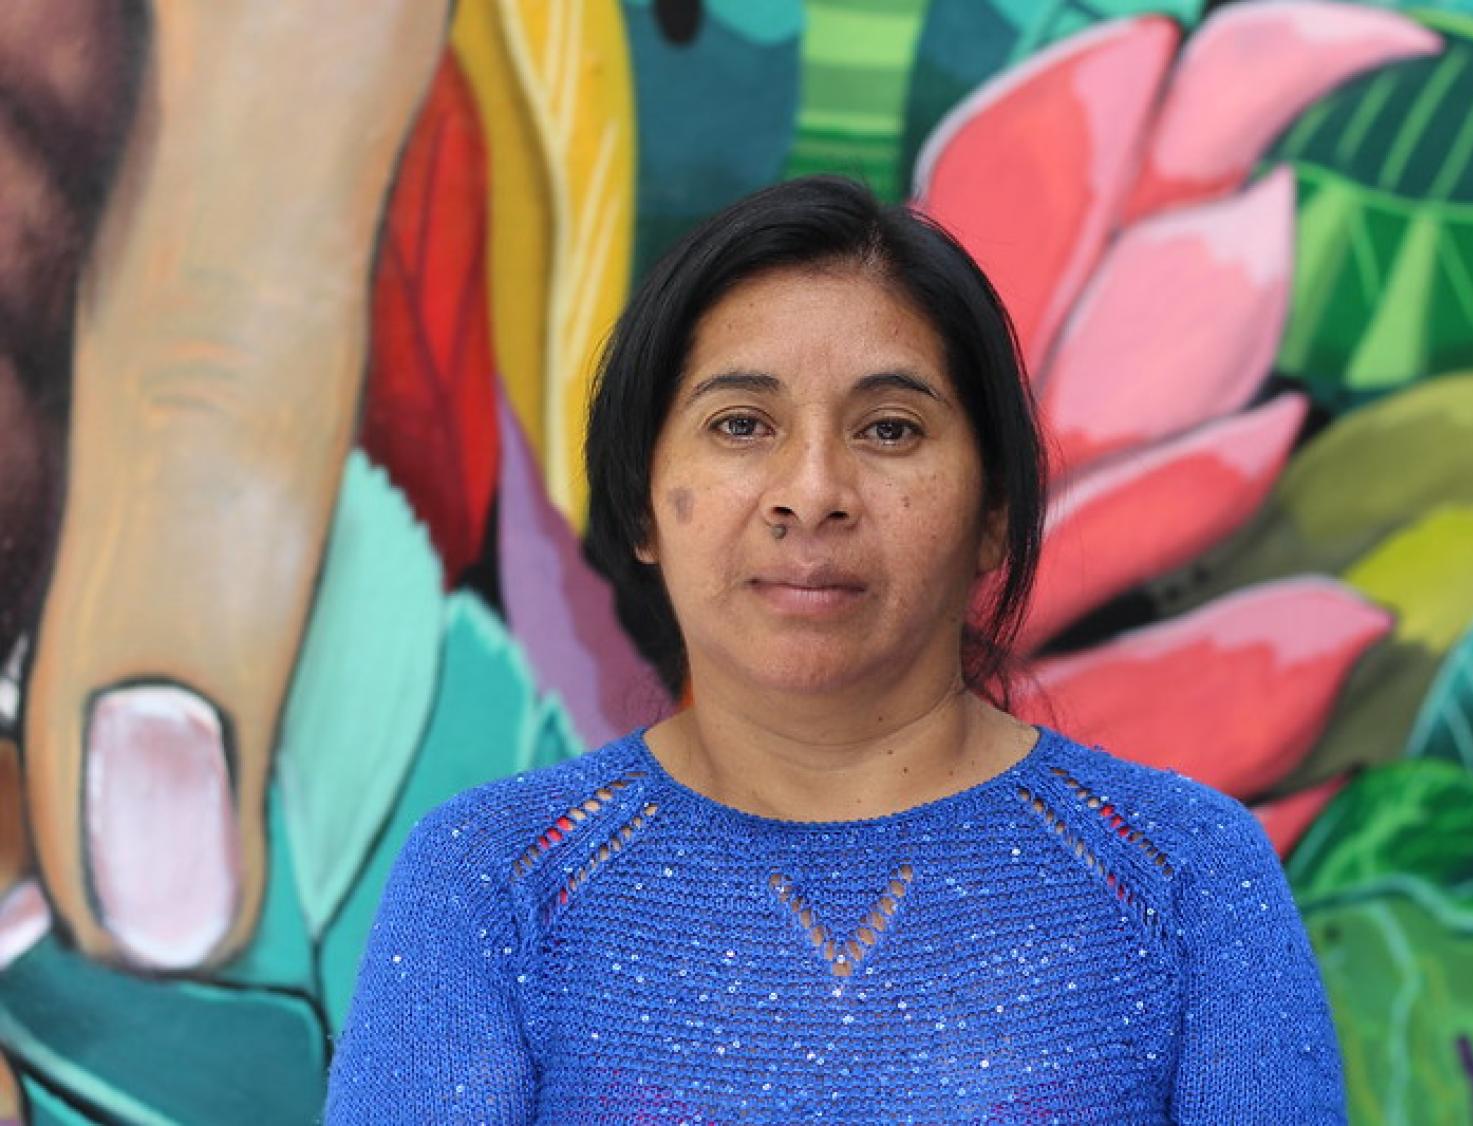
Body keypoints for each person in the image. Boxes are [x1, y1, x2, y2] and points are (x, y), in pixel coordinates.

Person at [325, 175, 1344, 1123]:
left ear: (994, 510)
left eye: (890, 430)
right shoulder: (493, 880)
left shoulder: (1184, 873)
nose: (810, 490)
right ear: (641, 503)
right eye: (739, 424)